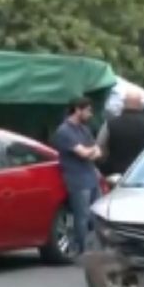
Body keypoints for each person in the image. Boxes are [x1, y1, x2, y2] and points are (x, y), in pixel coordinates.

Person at [53, 97, 102, 256]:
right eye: (87, 110)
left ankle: (95, 247)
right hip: (77, 179)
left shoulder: (84, 129)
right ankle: (82, 249)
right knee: (82, 216)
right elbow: (83, 153)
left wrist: (90, 153)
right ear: (77, 109)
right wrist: (90, 152)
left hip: (91, 177)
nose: (90, 114)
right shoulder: (64, 131)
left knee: (96, 215)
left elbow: (96, 151)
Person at [96, 91, 144, 175]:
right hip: (141, 171)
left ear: (124, 103)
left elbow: (100, 147)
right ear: (140, 104)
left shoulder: (109, 124)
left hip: (113, 171)